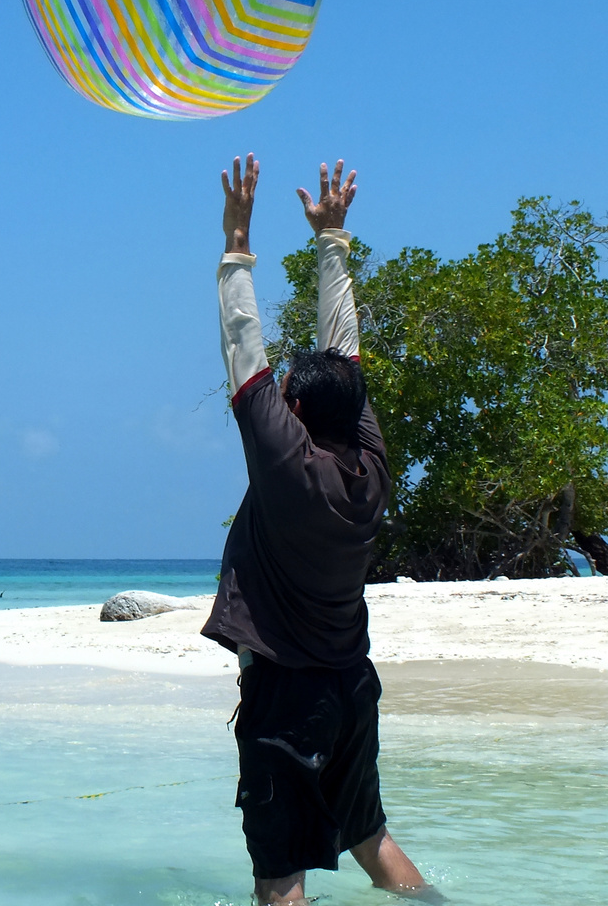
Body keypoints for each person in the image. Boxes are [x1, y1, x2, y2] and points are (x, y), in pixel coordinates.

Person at [201, 155, 430, 901]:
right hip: (350, 685)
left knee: (279, 877)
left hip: (287, 697)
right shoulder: (369, 463)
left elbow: (243, 338)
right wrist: (333, 241)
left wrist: (239, 239)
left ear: (293, 412)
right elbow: (345, 355)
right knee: (369, 836)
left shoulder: (286, 461)